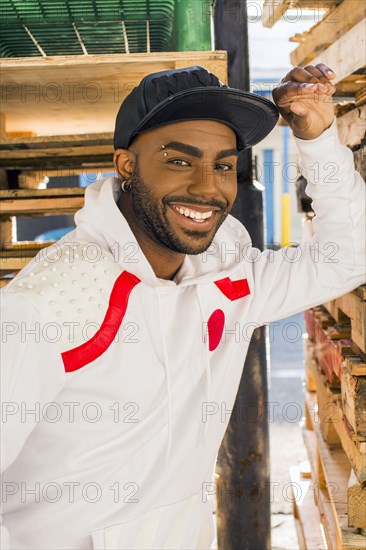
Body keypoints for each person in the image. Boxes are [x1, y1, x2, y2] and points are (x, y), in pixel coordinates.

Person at [1, 64, 365, 550]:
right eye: (178, 160)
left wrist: (317, 139)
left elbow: (348, 258)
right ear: (126, 165)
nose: (207, 188)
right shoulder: (50, 303)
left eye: (223, 165)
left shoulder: (226, 279)